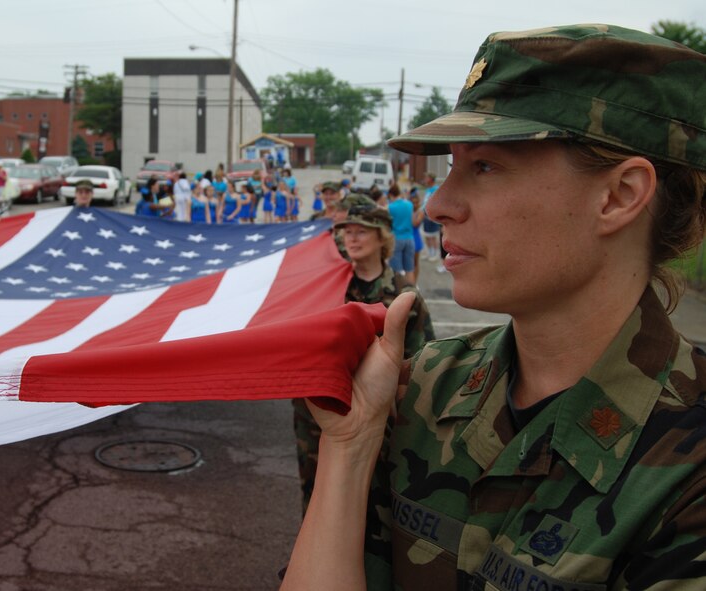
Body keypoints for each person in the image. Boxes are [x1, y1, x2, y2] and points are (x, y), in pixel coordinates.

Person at [282, 24, 706, 590]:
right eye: (452, 166)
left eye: (484, 167)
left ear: (619, 195)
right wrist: (350, 448)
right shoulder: (426, 385)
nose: (438, 205)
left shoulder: (689, 467)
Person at [292, 201, 435, 515]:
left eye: (361, 232)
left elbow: (422, 364)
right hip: (320, 415)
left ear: (382, 237)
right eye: (347, 232)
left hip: (379, 421)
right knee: (317, 494)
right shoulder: (327, 285)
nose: (351, 239)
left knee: (373, 500)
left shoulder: (403, 295)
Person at [386, 184, 415, 280]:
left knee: (397, 272)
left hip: (396, 239)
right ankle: (412, 292)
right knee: (409, 270)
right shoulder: (409, 204)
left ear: (390, 195)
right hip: (409, 239)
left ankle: (400, 293)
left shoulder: (390, 207)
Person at [420, 171, 442, 264]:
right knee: (427, 235)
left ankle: (435, 254)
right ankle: (429, 252)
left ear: (430, 179)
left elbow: (438, 203)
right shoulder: (428, 189)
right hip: (425, 215)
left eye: (427, 178)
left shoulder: (436, 189)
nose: (425, 179)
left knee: (433, 236)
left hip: (431, 216)